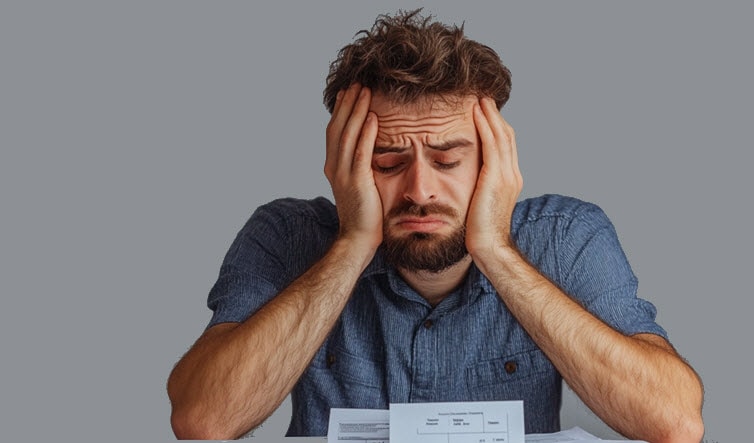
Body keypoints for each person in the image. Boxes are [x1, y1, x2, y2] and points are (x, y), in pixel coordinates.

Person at [166, 9, 704, 442]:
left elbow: (674, 422)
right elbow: (203, 421)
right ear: (343, 164)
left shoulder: (566, 236)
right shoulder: (286, 235)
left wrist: (495, 249)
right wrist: (353, 242)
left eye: (448, 161)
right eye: (387, 162)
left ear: (493, 163)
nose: (420, 190)